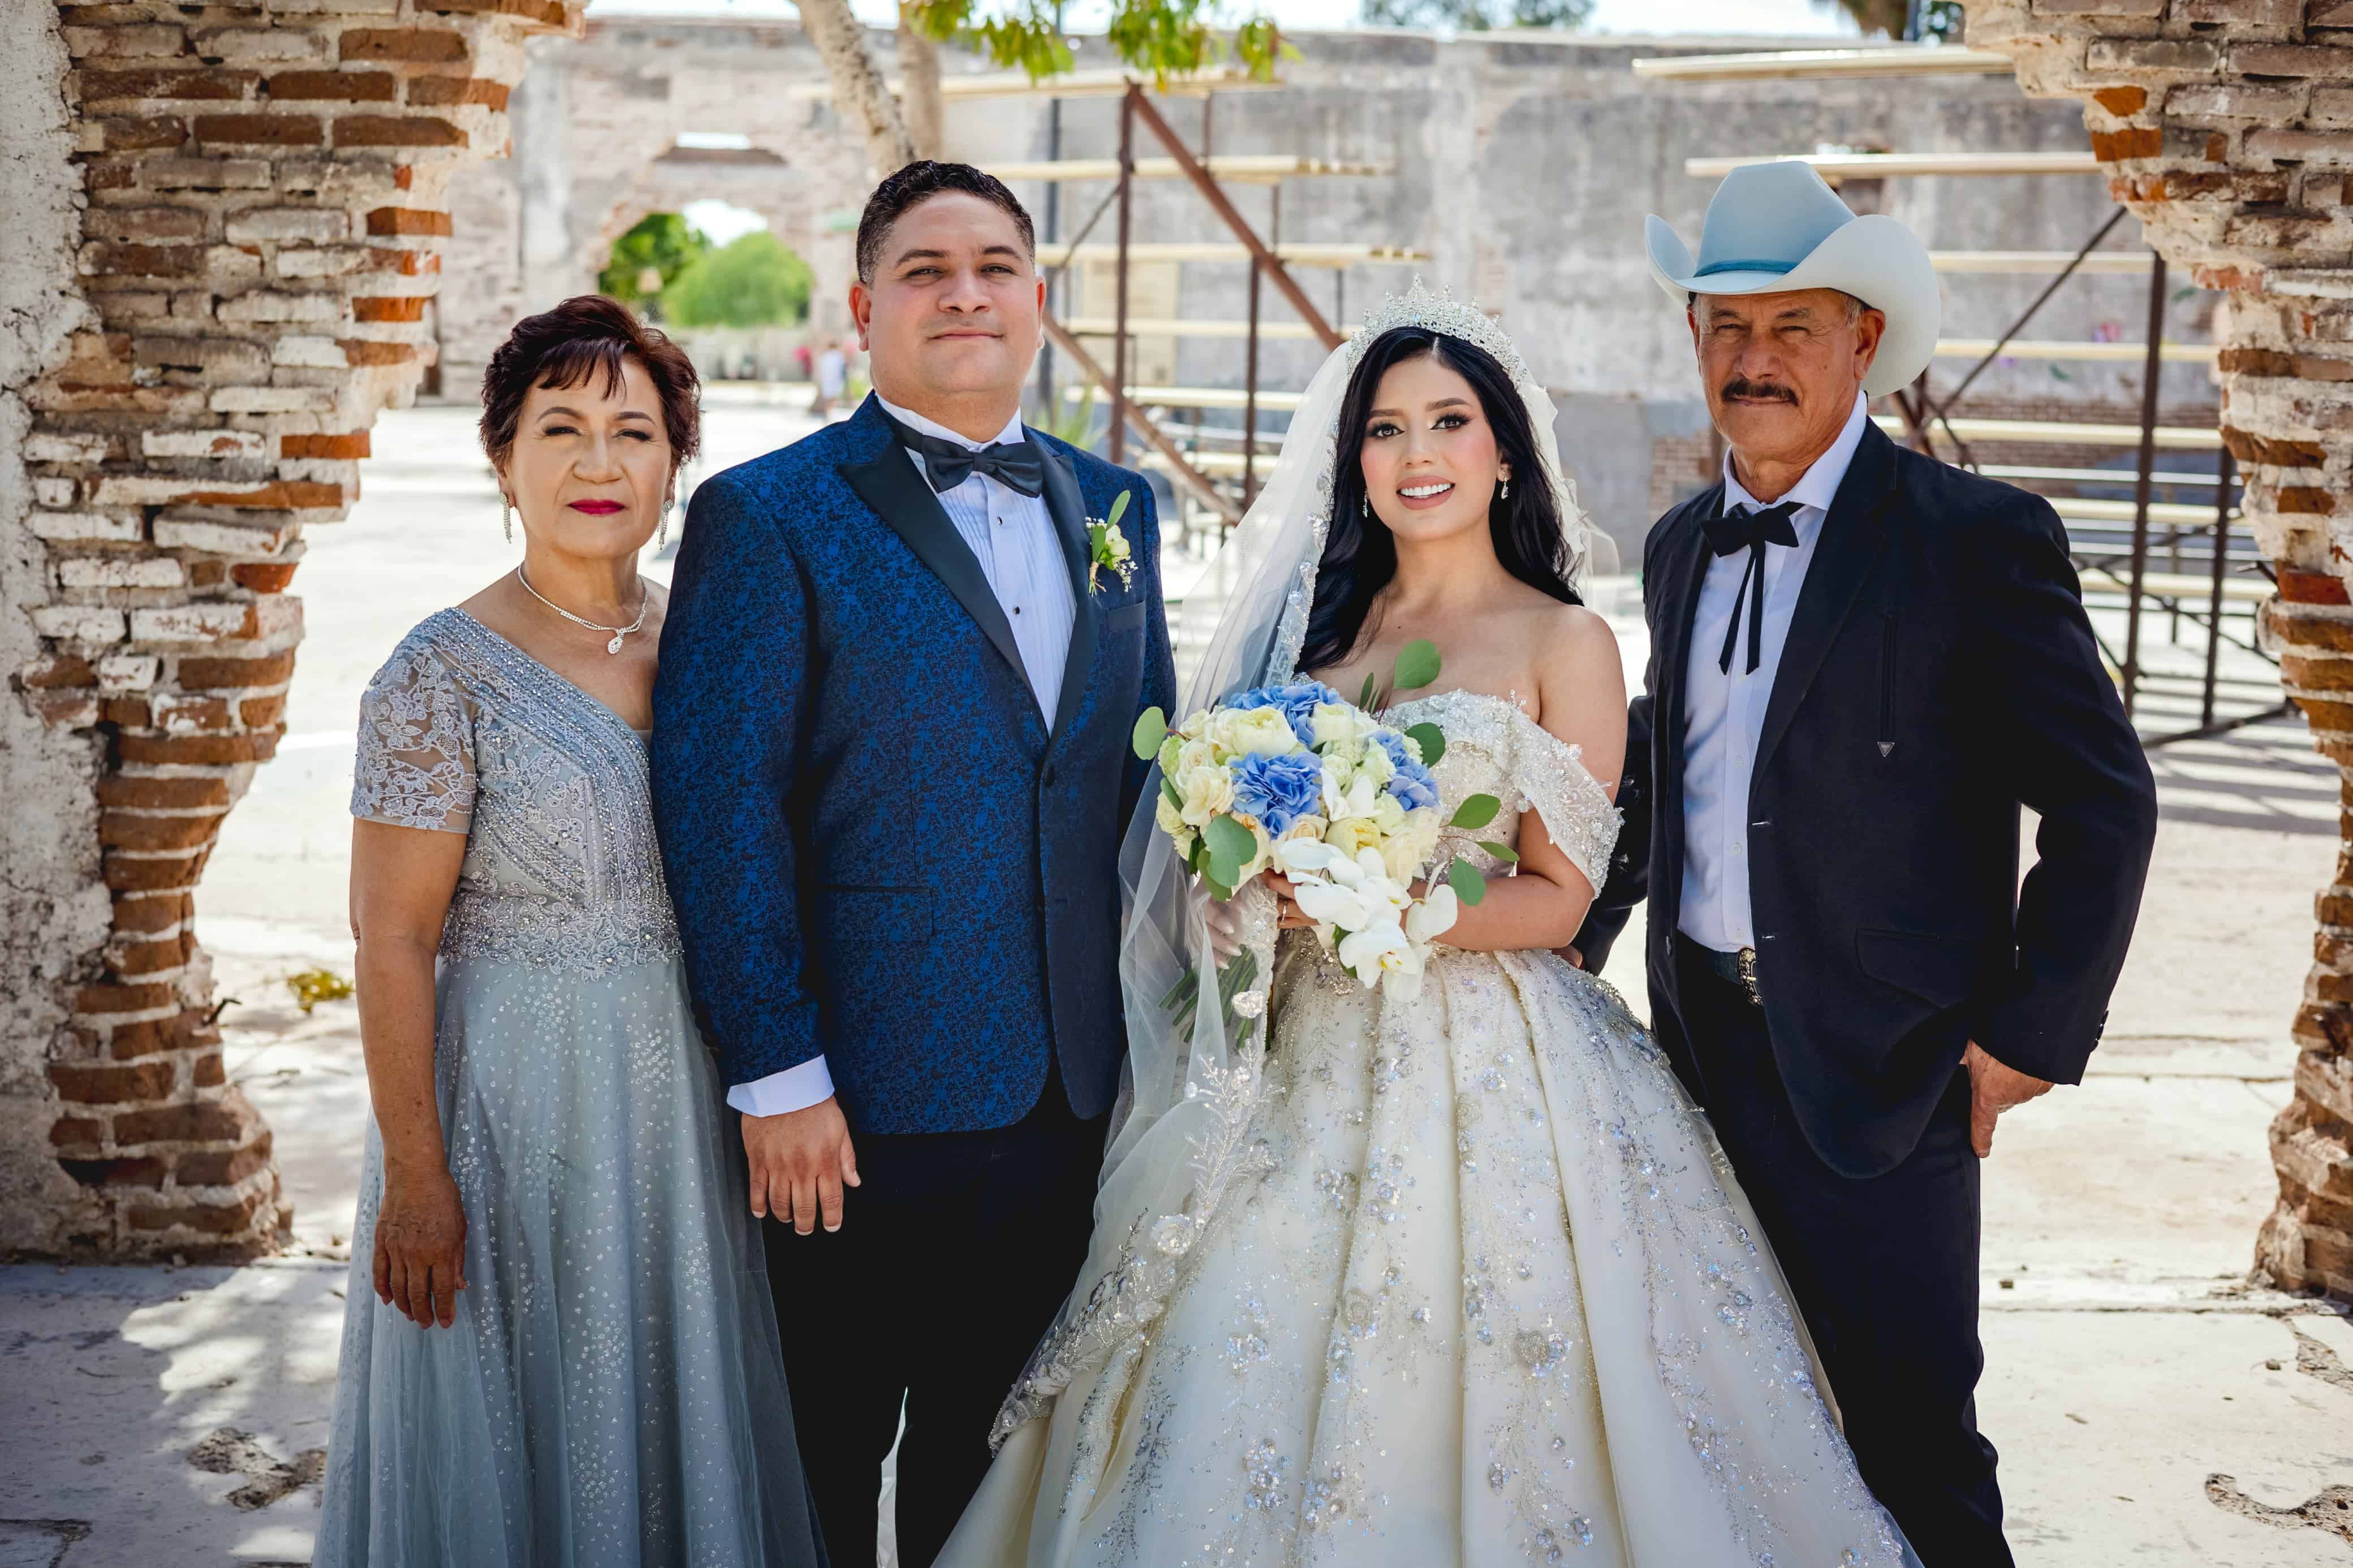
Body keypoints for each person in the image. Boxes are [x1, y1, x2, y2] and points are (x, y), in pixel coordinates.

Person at [939, 286, 1914, 1567]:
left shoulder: (1563, 637)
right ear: (1354, 459)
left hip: (1497, 1056)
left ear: (1501, 449)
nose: (1416, 454)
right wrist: (1252, 879)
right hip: (1295, 1056)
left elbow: (1559, 899)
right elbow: (1217, 840)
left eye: (1448, 421)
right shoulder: (1317, 640)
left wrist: (1386, 904)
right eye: (1385, 428)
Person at [1570, 162, 2160, 1564]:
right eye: (1724, 326)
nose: (1752, 360)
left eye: (1792, 328)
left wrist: (2026, 1035)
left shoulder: (1975, 541)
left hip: (1890, 1071)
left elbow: (2103, 803)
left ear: (1863, 345)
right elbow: (1680, 784)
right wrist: (1548, 945)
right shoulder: (1674, 546)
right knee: (1726, 1422)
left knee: (1910, 1438)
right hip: (1698, 1061)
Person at [650, 162, 1177, 1568]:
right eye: (929, 268)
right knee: (824, 1462)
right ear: (865, 303)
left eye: (996, 265)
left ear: (1038, 302)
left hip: (1072, 1091)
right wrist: (778, 1074)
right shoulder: (769, 513)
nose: (966, 292)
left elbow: (1137, 776)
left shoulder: (1121, 509)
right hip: (852, 1106)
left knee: (993, 1468)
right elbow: (721, 807)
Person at [316, 296, 826, 1568]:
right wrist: (419, 1177)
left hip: (690, 1112)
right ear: (502, 457)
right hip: (509, 1113)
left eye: (633, 432)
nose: (599, 463)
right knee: (529, 1417)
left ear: (674, 463)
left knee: (672, 1407)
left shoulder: (719, 641)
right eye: (561, 428)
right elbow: (388, 938)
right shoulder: (438, 673)